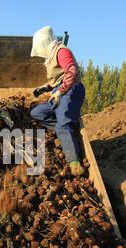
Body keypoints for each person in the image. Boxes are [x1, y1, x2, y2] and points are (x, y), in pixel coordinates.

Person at [29, 26, 86, 176]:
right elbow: (57, 79)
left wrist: (61, 92)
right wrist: (44, 88)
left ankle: (74, 162)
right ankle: (66, 129)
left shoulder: (62, 51)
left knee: (63, 124)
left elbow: (71, 72)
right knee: (37, 112)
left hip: (70, 90)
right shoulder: (53, 55)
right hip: (58, 92)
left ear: (43, 44)